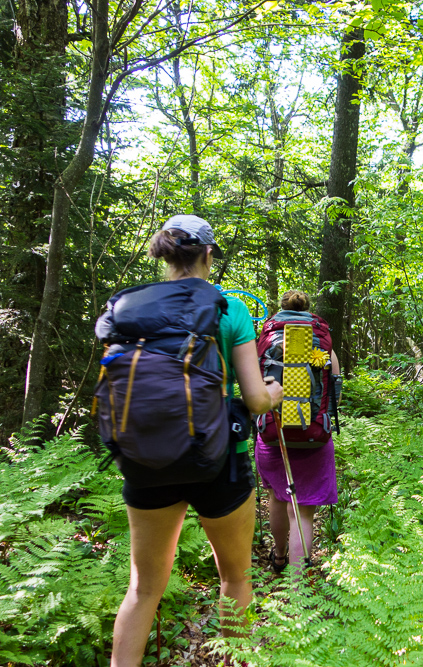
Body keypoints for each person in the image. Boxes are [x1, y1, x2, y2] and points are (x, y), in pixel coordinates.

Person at [110, 215, 283, 667]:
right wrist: (275, 389)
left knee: (144, 588)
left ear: (163, 254)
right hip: (220, 460)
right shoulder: (230, 309)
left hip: (147, 460)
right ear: (208, 254)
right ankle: (233, 658)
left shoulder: (130, 311)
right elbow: (255, 400)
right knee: (236, 578)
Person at [255, 289, 339, 576]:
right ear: (307, 310)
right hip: (314, 435)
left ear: (280, 309)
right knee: (302, 511)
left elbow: (254, 386)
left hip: (272, 434)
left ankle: (278, 557)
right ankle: (297, 583)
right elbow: (335, 390)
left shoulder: (266, 338)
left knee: (278, 497)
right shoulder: (322, 339)